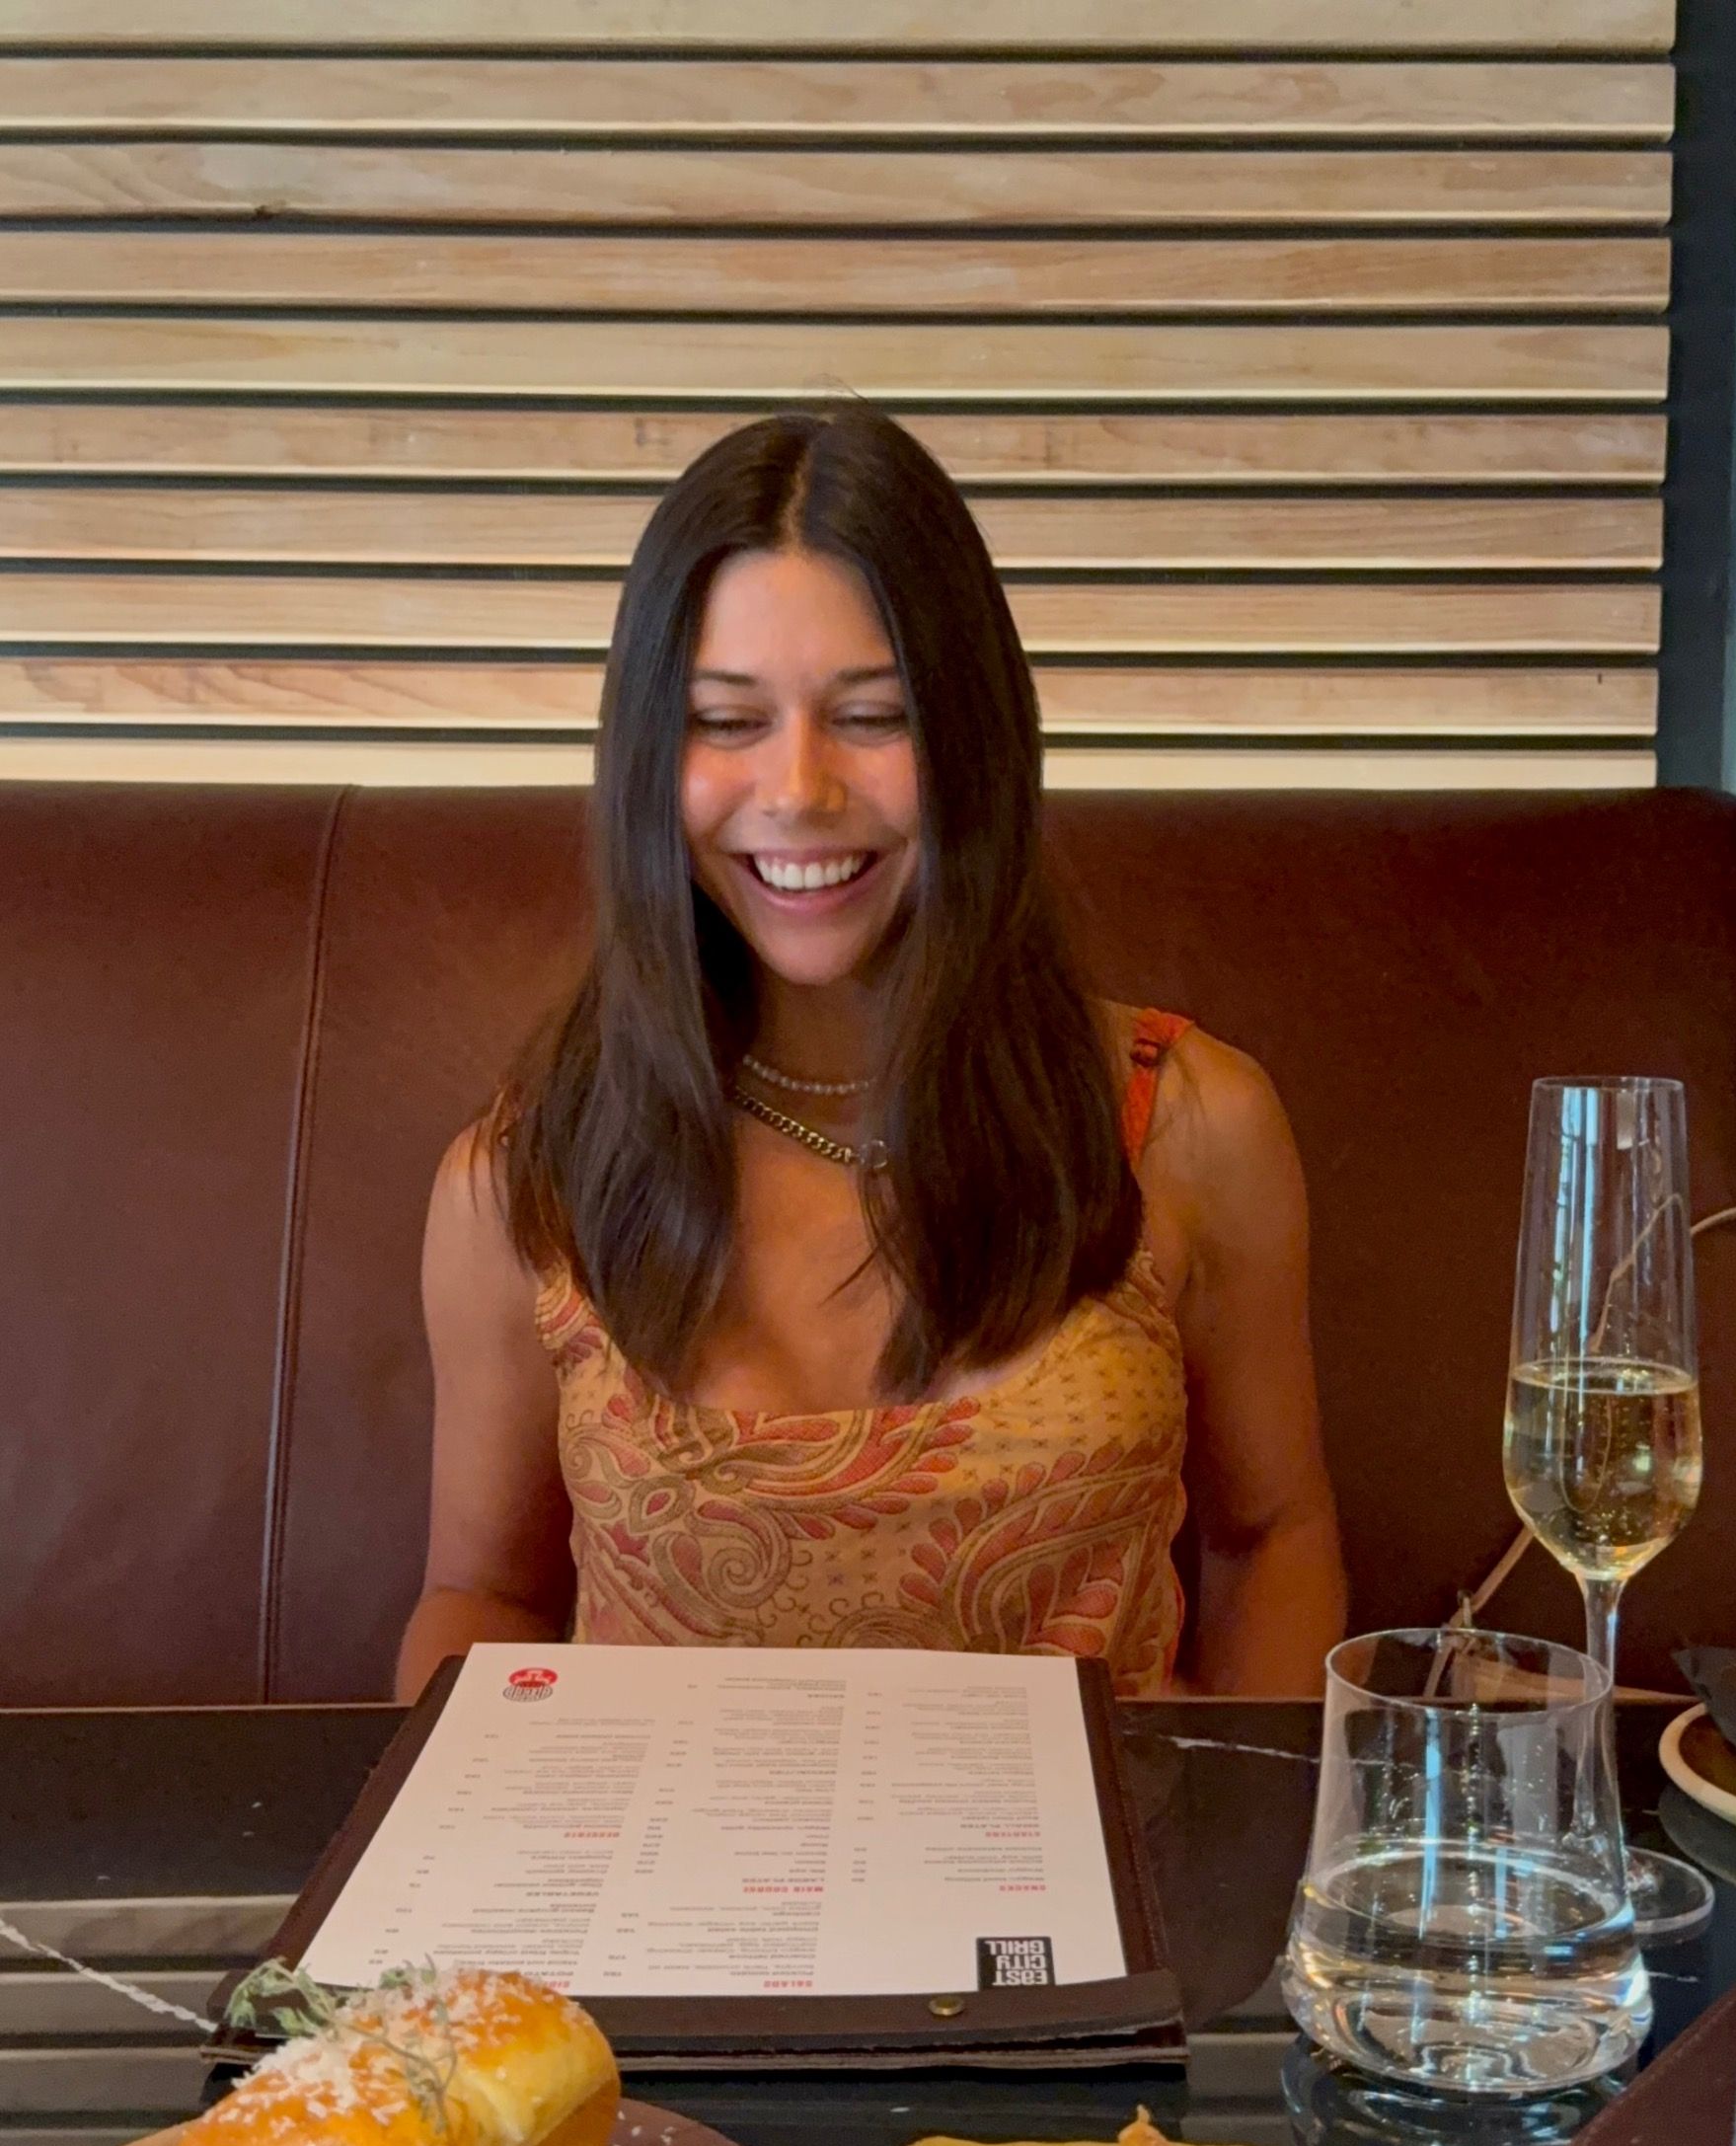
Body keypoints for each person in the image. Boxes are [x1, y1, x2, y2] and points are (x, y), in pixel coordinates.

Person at [397, 408, 1343, 1705]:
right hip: (676, 1891)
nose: (800, 789)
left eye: (874, 714)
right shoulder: (522, 1183)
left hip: (1082, 1886)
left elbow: (1270, 1534)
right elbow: (484, 1593)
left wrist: (1254, 1826)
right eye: (726, 721)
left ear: (978, 740)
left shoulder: (1191, 1125)